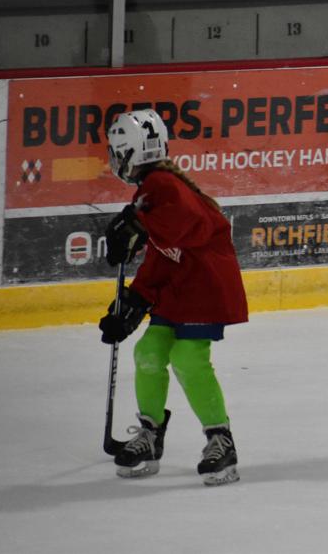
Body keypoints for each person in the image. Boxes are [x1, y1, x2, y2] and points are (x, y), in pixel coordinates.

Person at [99, 108, 247, 485]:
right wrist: (136, 299)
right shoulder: (153, 190)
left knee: (187, 358)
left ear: (127, 153)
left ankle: (221, 440)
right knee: (147, 352)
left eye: (116, 153)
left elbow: (187, 226)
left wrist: (139, 224)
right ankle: (150, 434)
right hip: (179, 290)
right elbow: (163, 255)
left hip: (205, 291)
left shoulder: (162, 186)